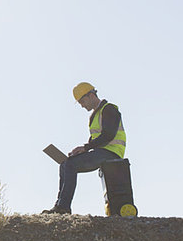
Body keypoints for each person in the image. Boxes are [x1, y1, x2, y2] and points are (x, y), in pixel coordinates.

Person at [42, 82, 127, 215]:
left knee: (70, 165)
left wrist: (86, 148)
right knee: (65, 164)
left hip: (111, 153)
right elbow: (95, 138)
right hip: (101, 152)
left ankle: (63, 208)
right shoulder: (94, 115)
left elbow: (108, 135)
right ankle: (59, 205)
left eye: (82, 101)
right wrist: (81, 150)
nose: (82, 105)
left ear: (91, 95)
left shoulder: (109, 109)